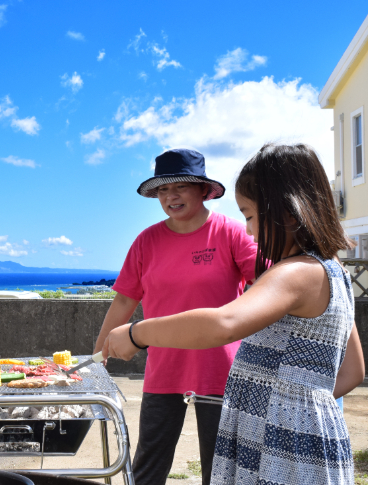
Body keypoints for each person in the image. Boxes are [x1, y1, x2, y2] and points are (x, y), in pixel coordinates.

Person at [101, 143, 365, 485]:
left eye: (251, 216)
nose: (250, 231)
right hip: (300, 440)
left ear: (285, 212)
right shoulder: (332, 273)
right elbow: (353, 370)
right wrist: (291, 408)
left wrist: (138, 333)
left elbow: (225, 324)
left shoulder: (293, 274)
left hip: (280, 449)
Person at [93, 148, 257, 485]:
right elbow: (124, 301)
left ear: (202, 189)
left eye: (180, 187)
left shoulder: (230, 232)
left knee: (223, 470)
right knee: (147, 469)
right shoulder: (147, 241)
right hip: (164, 367)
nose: (171, 196)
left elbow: (266, 285)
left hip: (222, 369)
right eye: (163, 190)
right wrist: (98, 355)